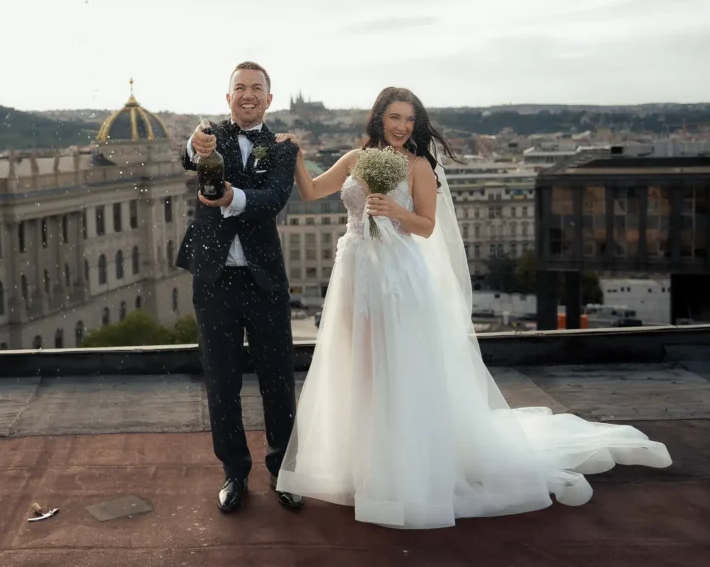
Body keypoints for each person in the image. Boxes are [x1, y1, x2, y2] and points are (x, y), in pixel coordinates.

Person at [273, 86, 672, 529]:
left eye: (410, 119)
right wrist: (296, 154)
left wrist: (393, 212)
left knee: (396, 369)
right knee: (358, 367)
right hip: (355, 275)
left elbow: (426, 226)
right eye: (395, 118)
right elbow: (309, 193)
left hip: (398, 276)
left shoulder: (419, 165)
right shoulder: (354, 157)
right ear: (379, 118)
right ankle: (361, 462)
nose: (403, 127)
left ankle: (397, 468)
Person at [176, 61, 304, 513]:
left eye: (257, 89)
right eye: (239, 88)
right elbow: (190, 155)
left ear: (270, 99)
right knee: (221, 382)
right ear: (227, 96)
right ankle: (234, 472)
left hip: (264, 280)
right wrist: (194, 144)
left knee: (278, 381)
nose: (248, 95)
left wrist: (233, 198)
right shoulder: (211, 134)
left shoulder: (283, 147)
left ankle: (284, 470)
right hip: (213, 280)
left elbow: (272, 200)